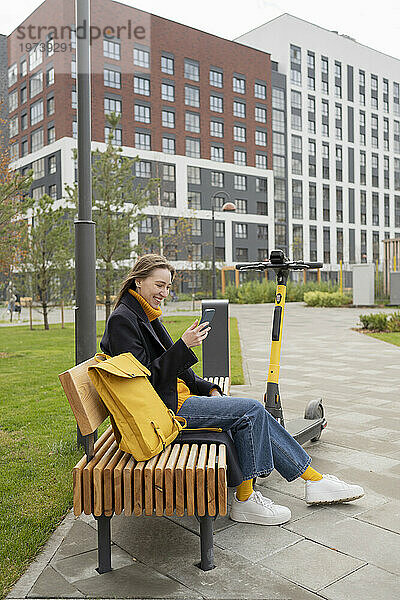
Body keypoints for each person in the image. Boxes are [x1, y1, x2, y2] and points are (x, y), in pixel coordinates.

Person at [101, 254, 364, 526]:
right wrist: (184, 345)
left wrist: (208, 388)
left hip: (172, 400)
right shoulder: (124, 320)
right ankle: (261, 495)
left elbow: (175, 371)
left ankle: (302, 482)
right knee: (251, 411)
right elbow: (144, 381)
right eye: (159, 285)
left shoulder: (143, 313)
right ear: (139, 280)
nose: (164, 293)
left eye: (167, 287)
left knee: (251, 413)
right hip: (162, 412)